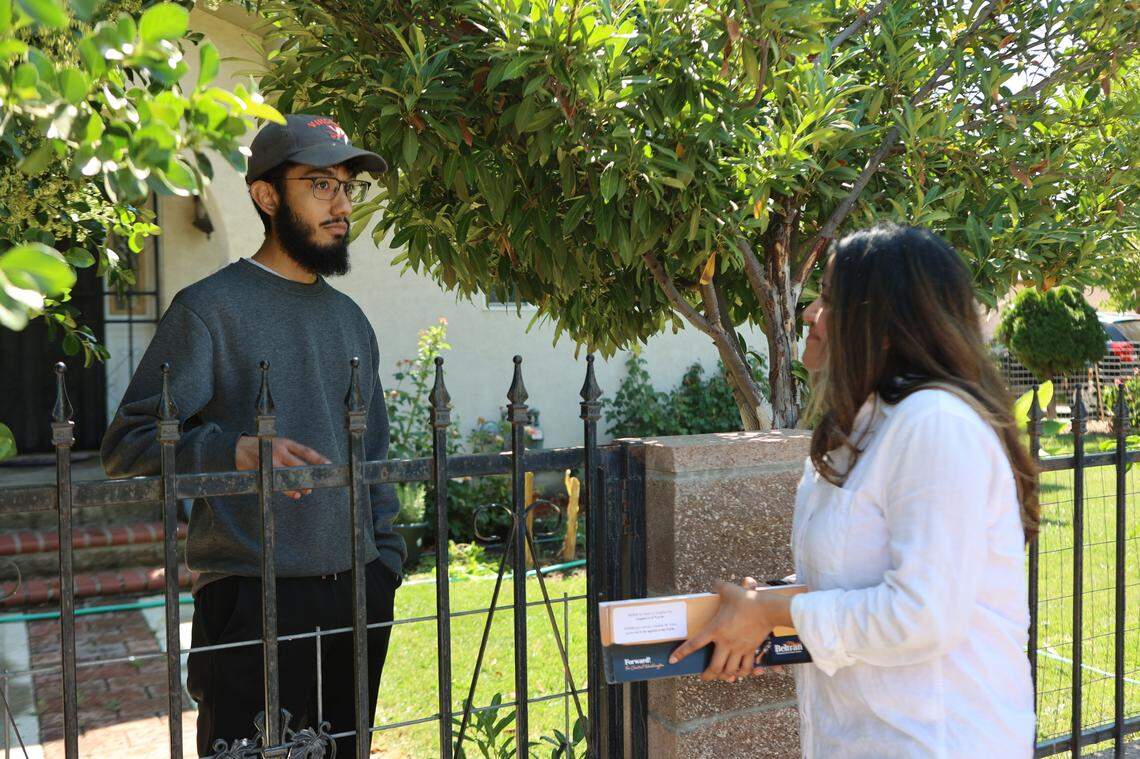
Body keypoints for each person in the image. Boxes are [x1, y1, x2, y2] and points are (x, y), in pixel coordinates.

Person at [671, 224, 1038, 757]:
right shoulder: (867, 427)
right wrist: (760, 604)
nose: (809, 315)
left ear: (886, 323)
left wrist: (772, 613)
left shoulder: (935, 424)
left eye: (827, 299)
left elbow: (922, 615)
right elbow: (860, 575)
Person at [100, 114, 404, 757]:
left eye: (348, 186)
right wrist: (229, 450)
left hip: (356, 593)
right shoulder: (209, 309)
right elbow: (126, 443)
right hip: (248, 597)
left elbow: (374, 454)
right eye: (320, 184)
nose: (342, 203)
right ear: (267, 196)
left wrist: (385, 567)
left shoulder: (352, 320)